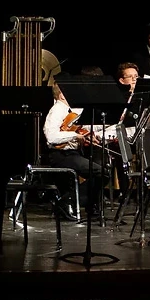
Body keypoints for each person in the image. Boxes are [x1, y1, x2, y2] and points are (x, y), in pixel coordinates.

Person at [42, 80, 105, 219]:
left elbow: (85, 126)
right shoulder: (57, 110)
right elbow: (51, 137)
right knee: (99, 172)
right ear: (62, 95)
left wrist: (105, 122)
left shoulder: (72, 111)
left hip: (72, 153)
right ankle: (66, 202)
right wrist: (75, 135)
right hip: (60, 154)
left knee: (102, 171)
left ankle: (82, 204)